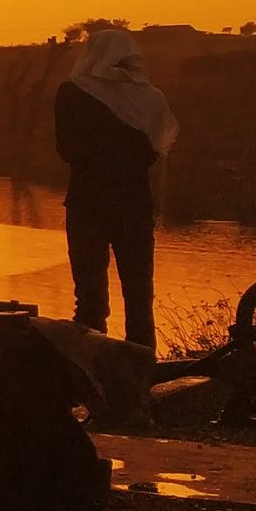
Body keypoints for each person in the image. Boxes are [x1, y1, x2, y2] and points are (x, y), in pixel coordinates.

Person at [55, 28, 178, 348]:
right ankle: (142, 379)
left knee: (89, 303)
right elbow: (155, 150)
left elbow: (66, 150)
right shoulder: (151, 98)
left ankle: (88, 380)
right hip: (134, 207)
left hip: (87, 205)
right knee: (139, 300)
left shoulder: (72, 92)